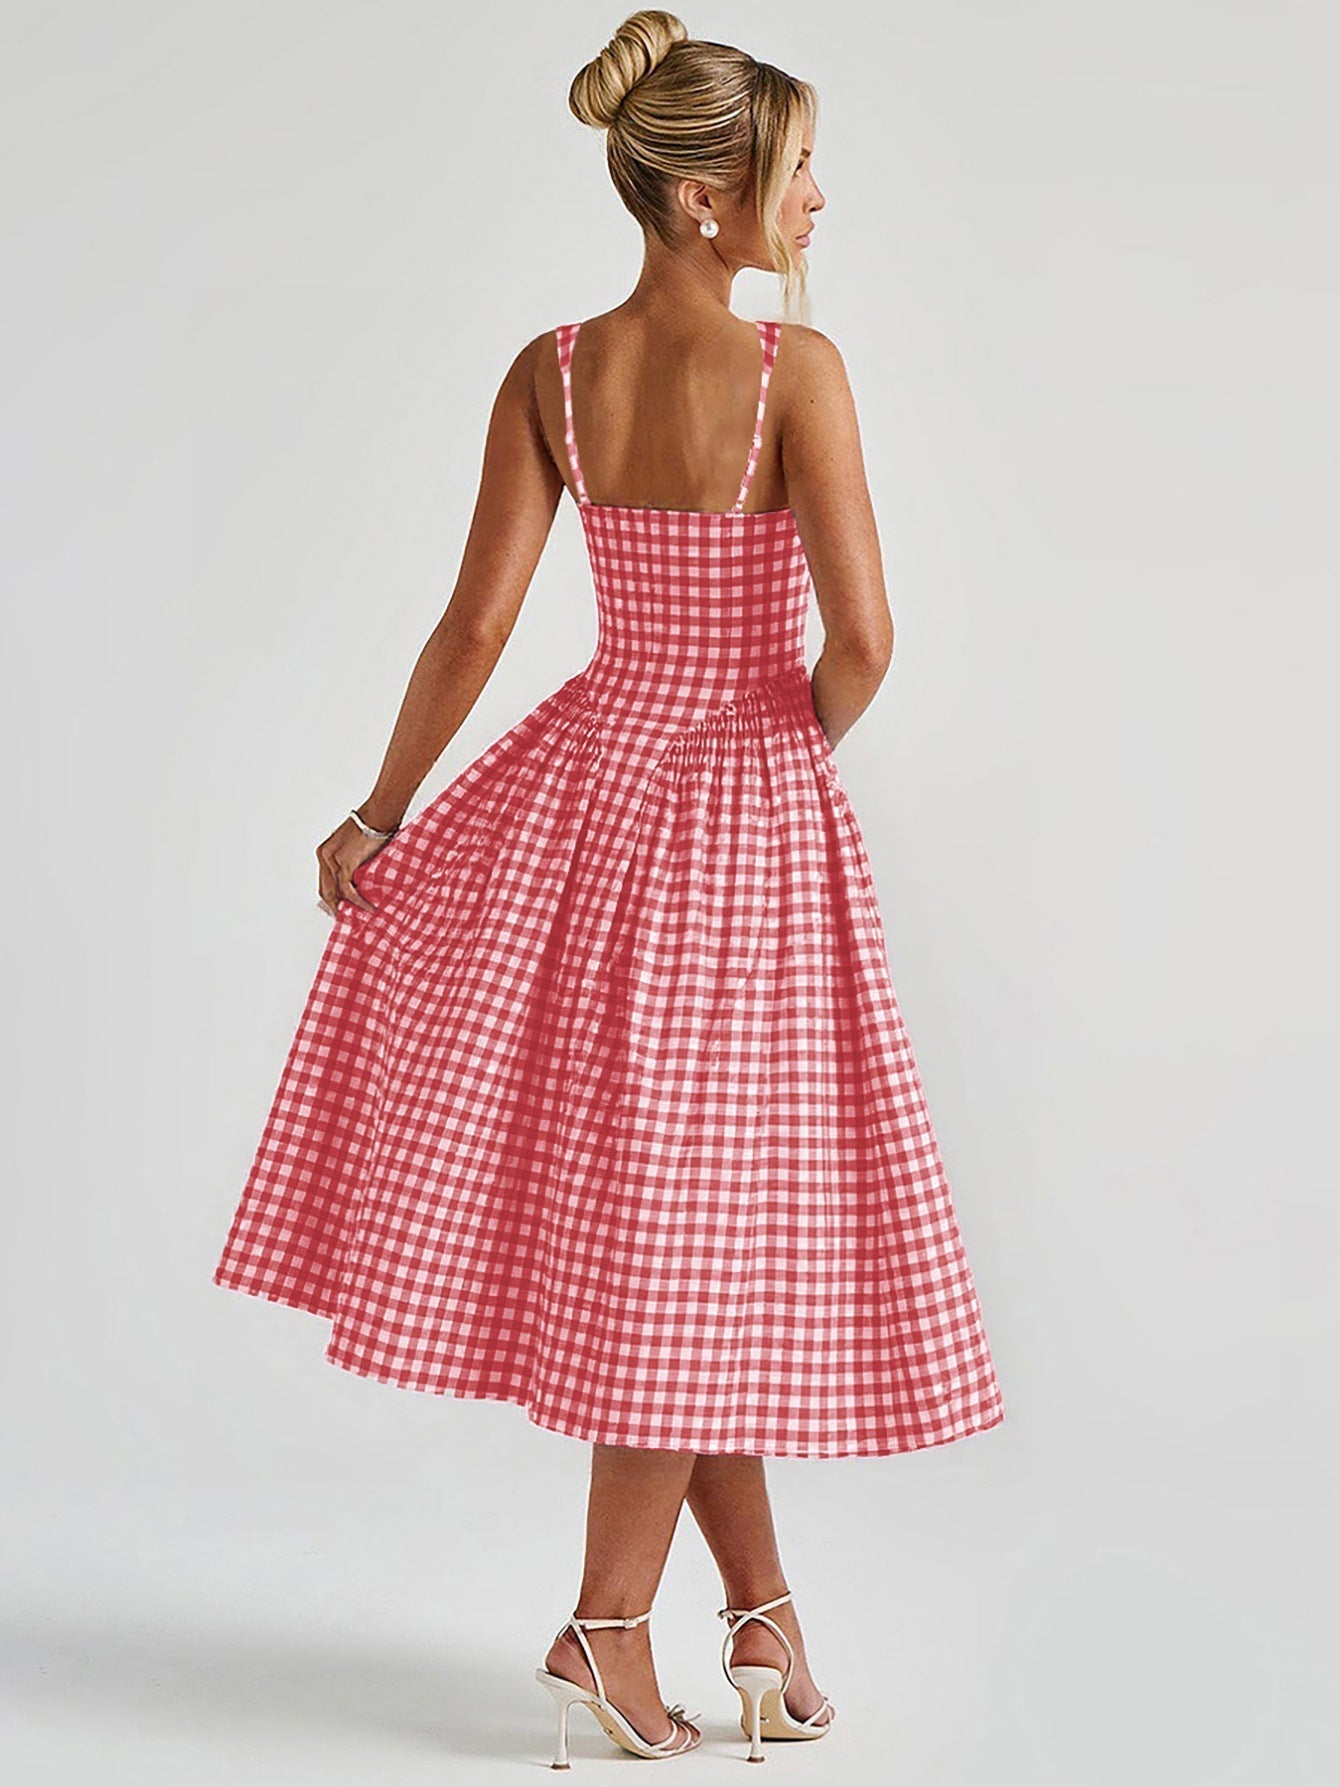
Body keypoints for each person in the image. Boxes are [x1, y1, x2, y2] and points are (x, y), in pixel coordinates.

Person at [212, 8, 1005, 1767]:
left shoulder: (552, 370)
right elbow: (866, 642)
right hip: (734, 825)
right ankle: (606, 1626)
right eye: (801, 172)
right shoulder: (797, 372)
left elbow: (475, 626)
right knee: (684, 1241)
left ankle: (764, 1618)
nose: (822, 202)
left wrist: (381, 813)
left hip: (576, 798)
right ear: (709, 197)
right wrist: (774, 753)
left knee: (683, 1228)